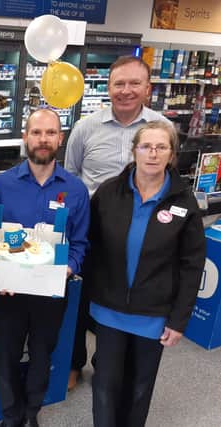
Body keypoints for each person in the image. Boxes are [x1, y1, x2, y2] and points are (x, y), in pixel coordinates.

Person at [64, 56, 172, 390]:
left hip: (141, 234)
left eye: (134, 83)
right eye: (118, 84)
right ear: (108, 88)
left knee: (124, 300)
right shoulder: (86, 128)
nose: (125, 91)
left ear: (147, 88)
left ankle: (106, 365)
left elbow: (170, 181)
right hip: (92, 231)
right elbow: (70, 179)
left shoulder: (161, 129)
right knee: (81, 300)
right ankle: (74, 364)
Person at [88, 120, 206, 426]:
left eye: (161, 147)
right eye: (146, 146)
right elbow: (89, 245)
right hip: (109, 308)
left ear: (172, 154)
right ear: (134, 151)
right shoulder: (108, 192)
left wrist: (179, 320)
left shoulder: (184, 203)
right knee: (105, 384)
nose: (152, 154)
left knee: (139, 387)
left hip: (153, 314)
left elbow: (192, 266)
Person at [0, 109, 90, 427]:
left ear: (60, 138)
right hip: (10, 290)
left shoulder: (76, 190)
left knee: (43, 356)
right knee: (6, 357)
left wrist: (68, 269)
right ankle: (10, 416)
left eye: (50, 133)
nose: (43, 139)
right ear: (25, 137)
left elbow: (81, 244)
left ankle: (31, 413)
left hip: (51, 291)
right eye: (36, 132)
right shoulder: (1, 185)